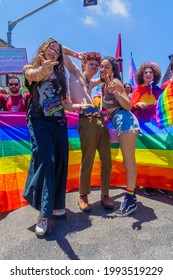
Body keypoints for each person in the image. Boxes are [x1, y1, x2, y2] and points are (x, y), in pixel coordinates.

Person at [23, 39, 91, 238]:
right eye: (50, 47)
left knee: (61, 160)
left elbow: (63, 104)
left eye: (57, 49)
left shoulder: (60, 75)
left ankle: (57, 205)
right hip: (39, 121)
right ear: (43, 50)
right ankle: (43, 215)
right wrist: (42, 70)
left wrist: (80, 107)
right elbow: (34, 75)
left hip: (59, 123)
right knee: (48, 161)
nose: (54, 51)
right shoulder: (31, 68)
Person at [63, 47, 114, 212]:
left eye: (96, 64)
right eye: (91, 63)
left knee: (107, 160)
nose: (94, 66)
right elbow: (59, 48)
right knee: (88, 160)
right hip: (86, 121)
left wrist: (111, 68)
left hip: (100, 121)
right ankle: (83, 196)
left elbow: (107, 77)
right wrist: (77, 55)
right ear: (83, 64)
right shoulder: (75, 73)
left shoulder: (91, 83)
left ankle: (105, 195)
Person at [100, 56, 140, 216]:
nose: (102, 70)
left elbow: (128, 105)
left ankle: (130, 199)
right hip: (118, 122)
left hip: (125, 121)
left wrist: (115, 92)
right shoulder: (104, 85)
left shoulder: (115, 83)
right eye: (101, 67)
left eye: (106, 67)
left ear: (112, 70)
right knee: (127, 161)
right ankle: (131, 195)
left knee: (129, 162)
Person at [130, 62, 164, 196]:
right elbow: (130, 105)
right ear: (141, 76)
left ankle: (161, 182)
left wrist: (158, 104)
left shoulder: (158, 90)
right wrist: (137, 103)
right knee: (146, 153)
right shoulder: (137, 91)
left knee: (158, 152)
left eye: (150, 72)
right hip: (142, 125)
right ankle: (148, 183)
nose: (148, 74)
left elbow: (164, 106)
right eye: (146, 72)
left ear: (154, 75)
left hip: (156, 126)